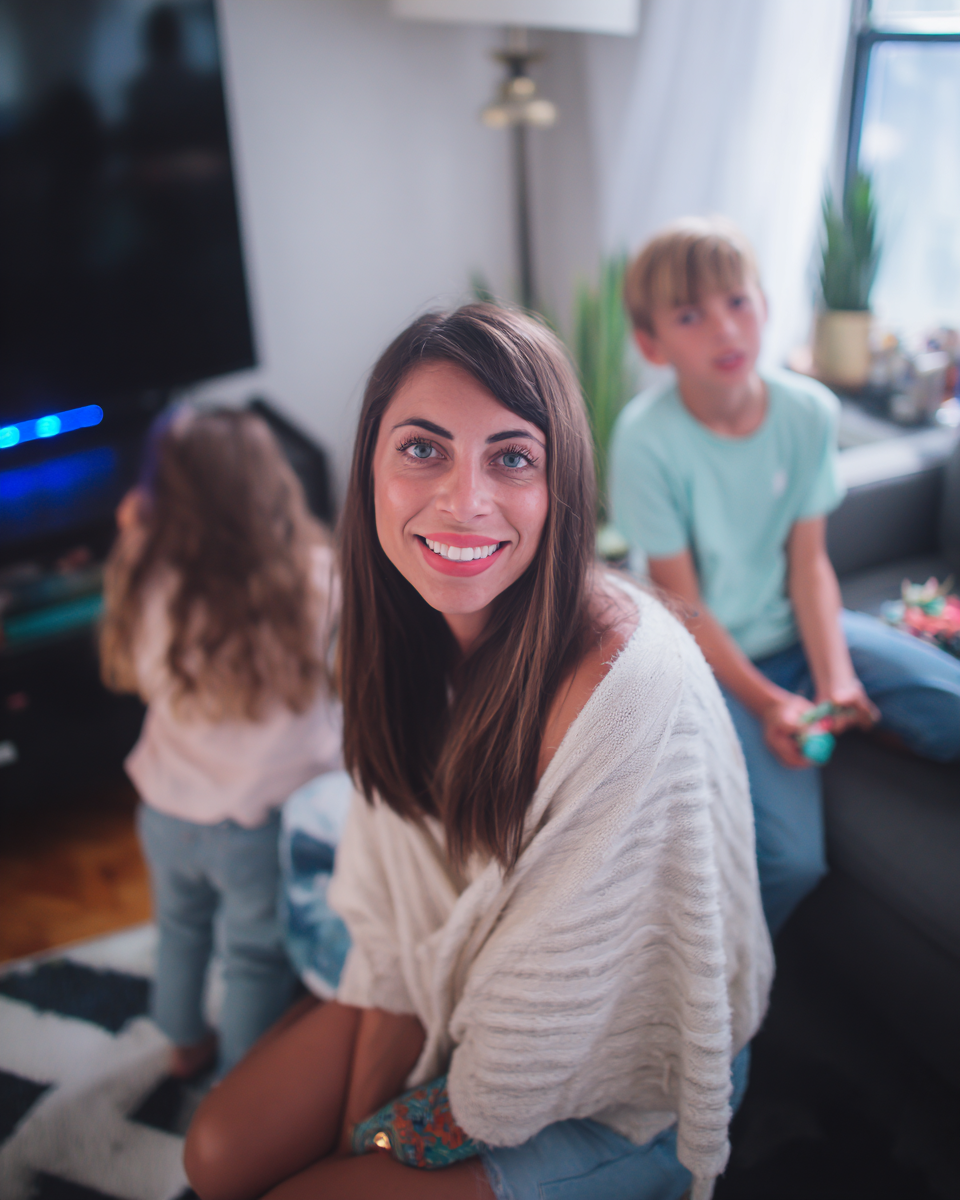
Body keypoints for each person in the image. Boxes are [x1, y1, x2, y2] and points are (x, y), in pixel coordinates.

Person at [183, 305, 773, 1200]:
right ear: (371, 468)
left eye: (512, 457)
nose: (465, 500)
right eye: (424, 449)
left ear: (559, 485)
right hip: (448, 987)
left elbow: (547, 1031)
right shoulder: (389, 631)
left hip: (618, 1078)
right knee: (216, 1154)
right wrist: (358, 1123)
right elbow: (392, 912)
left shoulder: (624, 684)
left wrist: (366, 1149)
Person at [610, 216, 960, 938]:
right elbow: (685, 608)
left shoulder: (807, 411)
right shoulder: (645, 440)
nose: (724, 330)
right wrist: (769, 703)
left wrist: (835, 676)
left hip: (802, 628)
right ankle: (720, 982)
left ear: (766, 305)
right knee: (793, 861)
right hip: (705, 659)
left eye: (737, 302)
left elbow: (810, 567)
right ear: (653, 344)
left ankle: (852, 708)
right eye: (689, 315)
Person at [100, 406, 342, 1078]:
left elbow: (134, 530)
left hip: (166, 813)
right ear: (270, 484)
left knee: (179, 930)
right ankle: (242, 1081)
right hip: (256, 829)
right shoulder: (315, 579)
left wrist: (138, 524)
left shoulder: (148, 580)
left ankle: (181, 1042)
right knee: (255, 956)